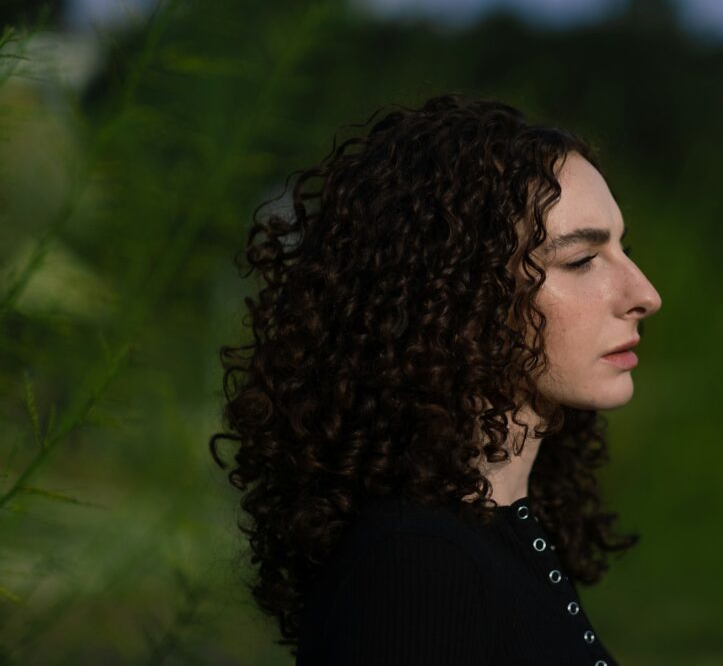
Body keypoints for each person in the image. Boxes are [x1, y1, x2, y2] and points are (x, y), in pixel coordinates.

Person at [210, 93, 662, 665]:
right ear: (456, 296)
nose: (645, 295)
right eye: (580, 260)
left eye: (624, 249)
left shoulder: (493, 533)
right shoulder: (418, 569)